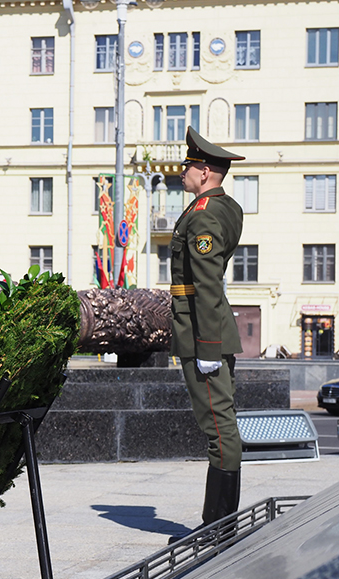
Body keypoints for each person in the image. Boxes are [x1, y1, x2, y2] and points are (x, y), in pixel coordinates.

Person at [168, 127, 245, 545]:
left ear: (204, 171)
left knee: (218, 427)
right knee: (220, 425)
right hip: (205, 329)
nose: (182, 173)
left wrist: (208, 349)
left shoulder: (204, 214)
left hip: (203, 333)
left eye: (187, 167)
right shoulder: (226, 208)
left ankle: (218, 527)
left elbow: (208, 285)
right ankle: (219, 523)